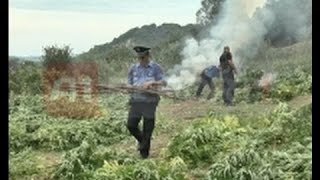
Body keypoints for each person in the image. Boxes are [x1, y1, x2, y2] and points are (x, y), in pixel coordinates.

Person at [127, 46, 166, 159]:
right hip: (136, 101)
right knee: (131, 125)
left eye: (143, 57)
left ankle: (144, 154)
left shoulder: (156, 68)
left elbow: (164, 82)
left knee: (148, 128)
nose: (140, 60)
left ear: (148, 56)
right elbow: (129, 83)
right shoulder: (133, 68)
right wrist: (130, 87)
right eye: (139, 58)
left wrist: (153, 82)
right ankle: (143, 141)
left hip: (150, 101)